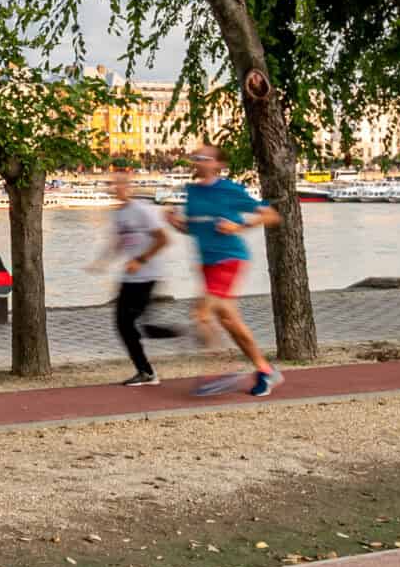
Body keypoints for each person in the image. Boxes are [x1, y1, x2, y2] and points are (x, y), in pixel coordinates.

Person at [167, 142, 281, 397]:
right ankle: (265, 370)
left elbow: (271, 215)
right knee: (229, 320)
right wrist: (175, 223)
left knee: (201, 314)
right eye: (197, 158)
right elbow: (192, 229)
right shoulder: (193, 193)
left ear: (218, 165)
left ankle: (222, 372)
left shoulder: (229, 190)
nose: (200, 162)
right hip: (206, 263)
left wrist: (238, 227)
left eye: (206, 158)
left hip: (229, 259)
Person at [103, 166, 181, 385]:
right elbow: (120, 241)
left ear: (129, 187)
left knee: (132, 325)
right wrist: (102, 261)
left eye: (121, 184)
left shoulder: (142, 210)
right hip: (129, 277)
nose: (117, 188)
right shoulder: (118, 213)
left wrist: (140, 260)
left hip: (148, 275)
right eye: (113, 184)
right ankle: (146, 370)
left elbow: (164, 239)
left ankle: (182, 336)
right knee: (125, 324)